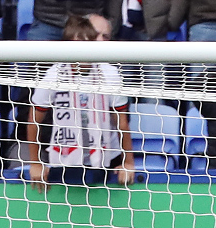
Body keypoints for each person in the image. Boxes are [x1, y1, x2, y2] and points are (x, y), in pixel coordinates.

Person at [24, 15, 135, 191]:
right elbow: (34, 120)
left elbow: (121, 122)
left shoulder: (110, 74)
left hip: (107, 155)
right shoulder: (54, 75)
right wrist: (35, 163)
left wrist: (128, 162)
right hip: (64, 155)